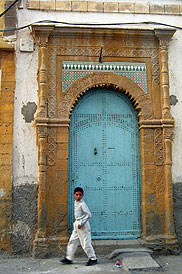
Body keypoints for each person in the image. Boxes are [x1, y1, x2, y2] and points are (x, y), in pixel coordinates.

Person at [60, 187, 97, 266]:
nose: (78, 196)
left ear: (82, 195)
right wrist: (78, 224)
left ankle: (93, 258)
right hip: (77, 225)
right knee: (72, 241)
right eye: (77, 194)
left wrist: (82, 222)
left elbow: (89, 215)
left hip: (83, 226)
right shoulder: (75, 202)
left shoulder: (82, 204)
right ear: (74, 195)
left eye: (80, 195)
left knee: (85, 243)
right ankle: (69, 258)